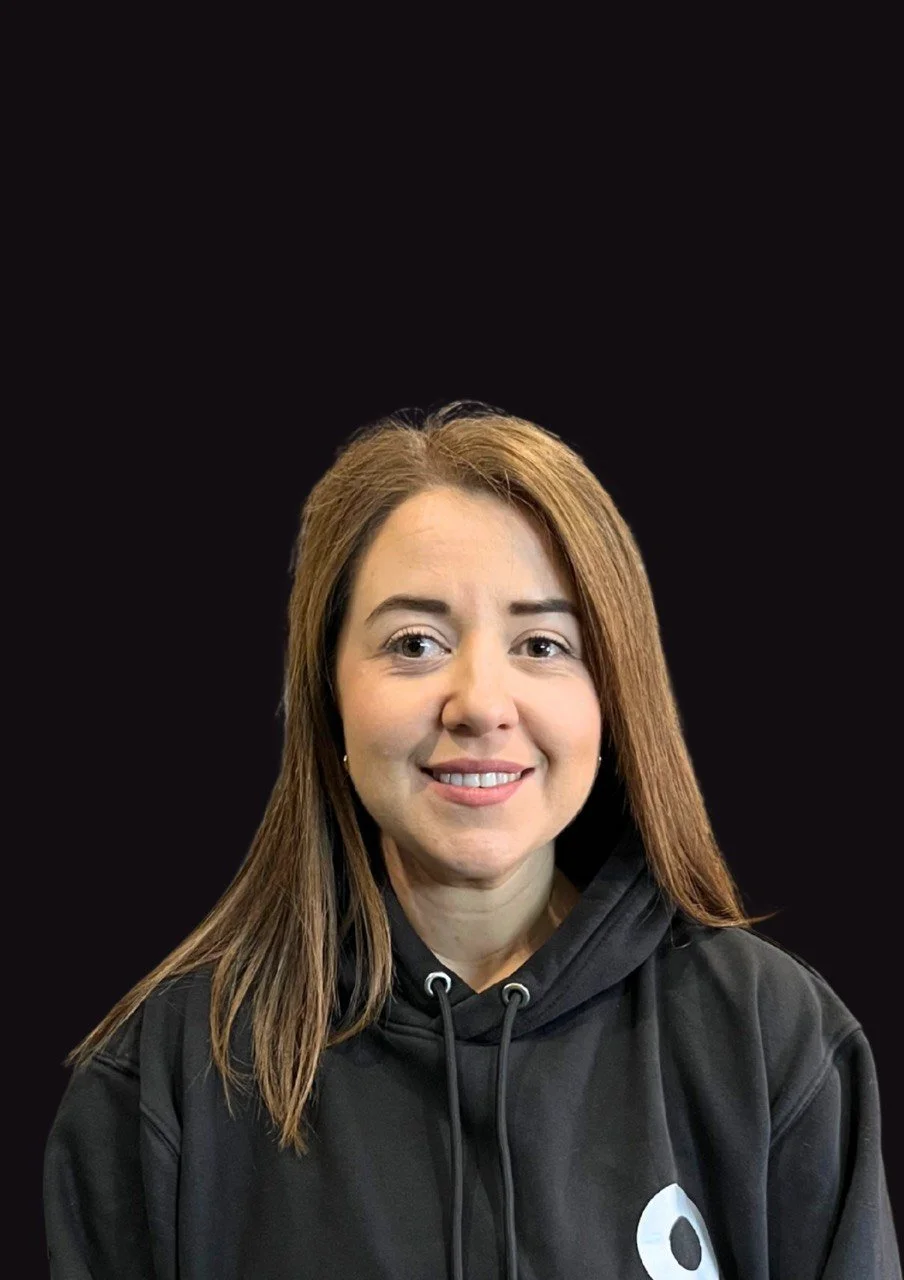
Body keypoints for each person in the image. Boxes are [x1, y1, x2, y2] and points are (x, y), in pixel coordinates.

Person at [43, 400, 900, 1280]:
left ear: (613, 695)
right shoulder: (169, 1079)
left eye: (542, 643)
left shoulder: (769, 1041)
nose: (481, 702)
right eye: (414, 643)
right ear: (328, 691)